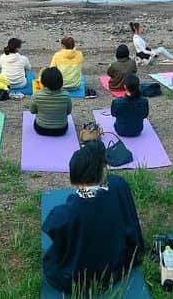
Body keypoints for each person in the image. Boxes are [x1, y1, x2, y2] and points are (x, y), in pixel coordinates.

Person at [42, 141, 144, 295]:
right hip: (115, 266)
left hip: (76, 280)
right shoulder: (118, 185)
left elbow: (51, 228)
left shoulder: (67, 213)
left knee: (52, 262)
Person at [29, 67, 73, 136]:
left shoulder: (36, 95)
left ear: (43, 81)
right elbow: (68, 112)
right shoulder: (66, 95)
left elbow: (32, 111)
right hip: (61, 129)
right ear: (60, 81)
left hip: (41, 128)